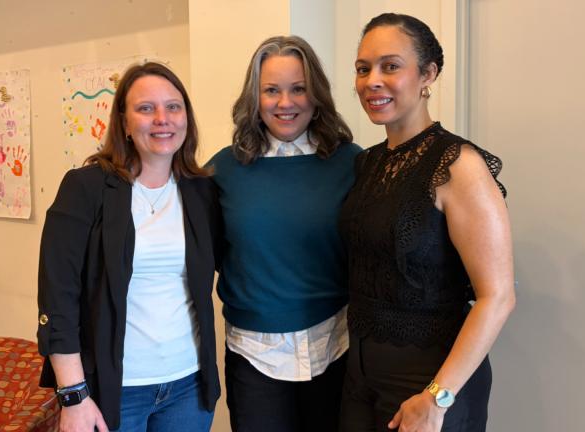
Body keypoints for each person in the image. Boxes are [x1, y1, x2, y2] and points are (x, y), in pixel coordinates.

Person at [338, 13, 516, 432]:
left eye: (391, 66)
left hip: (429, 383)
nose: (372, 80)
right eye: (363, 69)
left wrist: (438, 397)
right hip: (359, 379)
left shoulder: (459, 165)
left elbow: (499, 296)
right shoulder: (368, 162)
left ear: (428, 74)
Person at [37, 62, 220, 432]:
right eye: (146, 108)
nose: (162, 119)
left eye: (173, 106)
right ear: (123, 121)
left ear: (187, 117)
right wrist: (72, 396)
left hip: (188, 386)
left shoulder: (201, 191)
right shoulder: (85, 189)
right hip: (114, 391)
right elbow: (58, 299)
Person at [208, 35, 361, 432]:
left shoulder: (353, 163)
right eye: (271, 90)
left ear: (317, 95)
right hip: (254, 353)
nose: (285, 103)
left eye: (298, 89)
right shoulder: (223, 170)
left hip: (335, 344)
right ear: (254, 98)